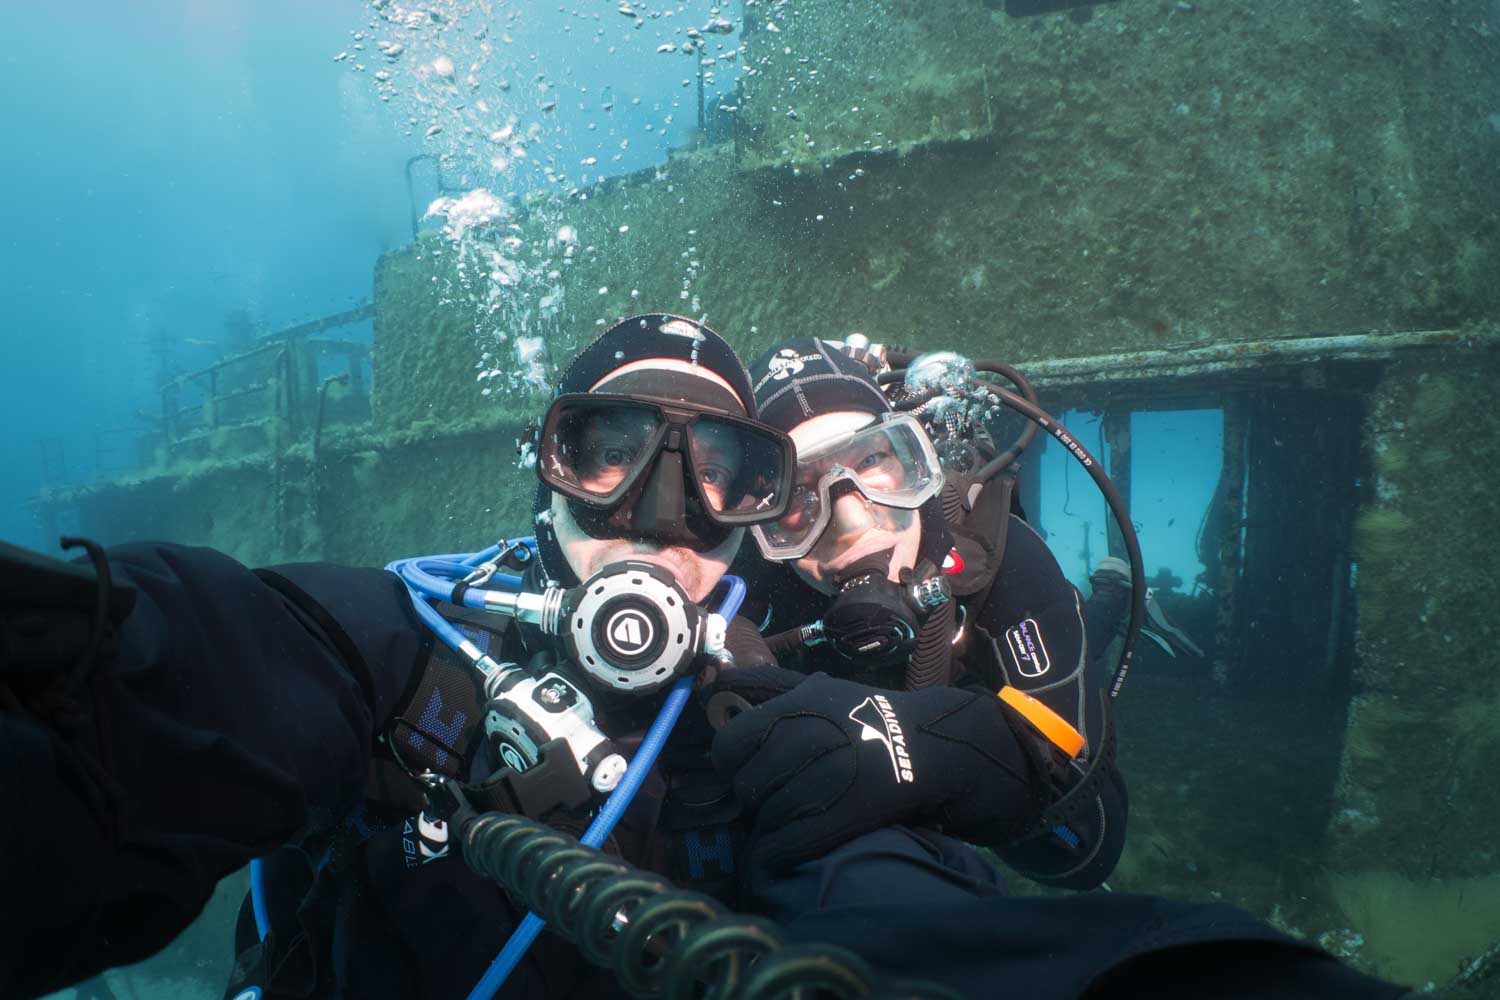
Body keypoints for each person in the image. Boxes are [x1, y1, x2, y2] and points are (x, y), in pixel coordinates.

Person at [1, 315, 1410, 1000]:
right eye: (609, 451)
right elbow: (231, 667)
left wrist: (918, 752)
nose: (658, 516)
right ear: (546, 469)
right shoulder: (408, 636)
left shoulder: (767, 713)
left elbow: (946, 917)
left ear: (747, 523)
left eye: (722, 471)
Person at [720, 336, 1125, 891]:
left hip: (1006, 642)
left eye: (871, 459)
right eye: (796, 488)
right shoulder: (746, 593)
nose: (849, 518)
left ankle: (1113, 593)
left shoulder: (999, 554)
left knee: (1093, 632)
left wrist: (943, 757)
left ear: (916, 460)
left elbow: (1089, 845)